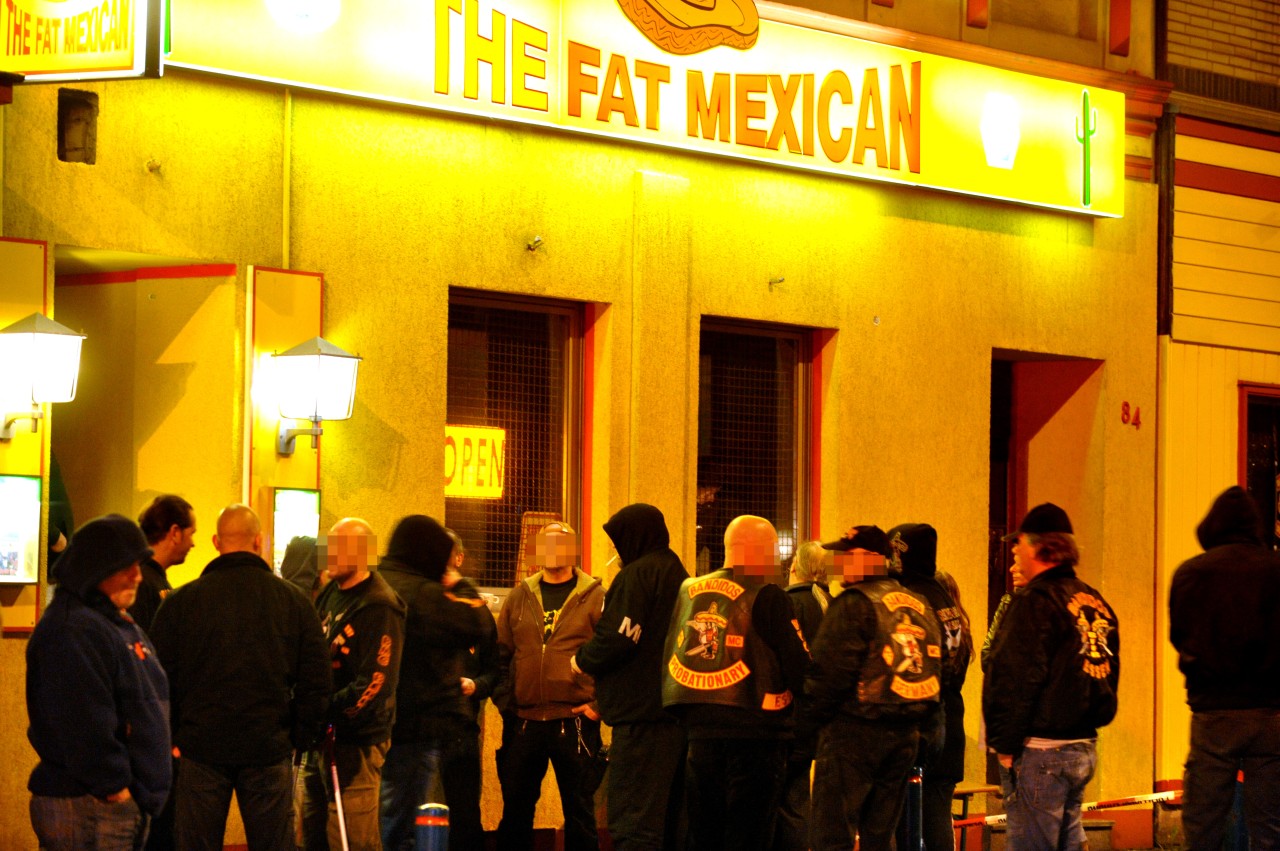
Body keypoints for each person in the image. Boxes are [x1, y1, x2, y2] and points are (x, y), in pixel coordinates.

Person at [149, 504, 331, 851]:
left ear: (216, 542)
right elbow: (316, 679)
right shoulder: (293, 602)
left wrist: (173, 735)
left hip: (199, 747)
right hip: (268, 745)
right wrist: (300, 737)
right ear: (260, 541)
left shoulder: (181, 602)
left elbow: (158, 678)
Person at [662, 515, 810, 851]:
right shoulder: (768, 595)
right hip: (758, 736)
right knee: (750, 837)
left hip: (699, 736)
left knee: (704, 836)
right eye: (773, 551)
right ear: (759, 550)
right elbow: (800, 669)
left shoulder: (688, 592)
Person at [26, 514, 171, 851]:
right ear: (95, 569)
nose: (138, 575)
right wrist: (115, 787)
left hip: (108, 803)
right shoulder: (71, 629)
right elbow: (81, 720)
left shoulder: (112, 622)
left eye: (139, 564)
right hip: (89, 804)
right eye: (126, 566)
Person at [982, 503, 1120, 851]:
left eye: (1020, 543)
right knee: (1069, 841)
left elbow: (1015, 677)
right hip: (1082, 745)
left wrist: (1005, 744)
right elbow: (1108, 670)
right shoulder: (1094, 600)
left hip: (1041, 750)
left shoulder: (1035, 601)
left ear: (1040, 546)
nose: (1014, 550)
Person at [806, 525, 943, 851]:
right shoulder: (918, 603)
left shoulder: (854, 603)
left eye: (844, 554)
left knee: (831, 835)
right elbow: (940, 668)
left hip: (853, 734)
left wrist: (809, 726)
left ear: (868, 559)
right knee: (880, 836)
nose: (837, 561)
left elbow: (828, 675)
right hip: (905, 735)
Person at [572, 503, 689, 851]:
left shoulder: (637, 575)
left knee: (632, 822)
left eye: (617, 540)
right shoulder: (677, 573)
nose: (614, 551)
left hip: (641, 719)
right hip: (673, 714)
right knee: (667, 821)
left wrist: (581, 661)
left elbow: (620, 636)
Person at [1169, 486, 1280, 850]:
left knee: (1205, 820)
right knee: (1269, 824)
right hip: (1271, 713)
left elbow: (1180, 635)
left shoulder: (1191, 573)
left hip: (1214, 713)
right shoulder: (1275, 570)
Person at [378, 514, 491, 851]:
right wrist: (455, 582)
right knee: (411, 822)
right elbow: (479, 620)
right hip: (422, 723)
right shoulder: (424, 594)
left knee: (391, 814)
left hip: (382, 722)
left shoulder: (377, 582)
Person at [496, 522, 606, 851]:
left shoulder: (596, 596)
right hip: (524, 723)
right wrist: (506, 704)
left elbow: (612, 655)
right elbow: (500, 653)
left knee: (579, 814)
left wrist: (599, 706)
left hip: (574, 721)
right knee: (515, 813)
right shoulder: (519, 596)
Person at [300, 518, 406, 851]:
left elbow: (374, 684)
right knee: (309, 827)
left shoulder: (379, 606)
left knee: (350, 835)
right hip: (320, 734)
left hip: (356, 740)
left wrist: (328, 711)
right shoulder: (331, 591)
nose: (327, 554)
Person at [888, 523, 971, 851]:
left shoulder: (915, 601)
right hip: (948, 721)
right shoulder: (946, 604)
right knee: (936, 813)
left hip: (923, 726)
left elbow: (910, 669)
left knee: (916, 821)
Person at [773, 540, 831, 850]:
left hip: (789, 715)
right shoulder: (833, 604)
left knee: (785, 802)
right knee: (800, 801)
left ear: (795, 568)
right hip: (821, 718)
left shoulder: (789, 603)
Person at [130, 495, 197, 635]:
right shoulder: (139, 581)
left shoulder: (152, 579)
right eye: (191, 534)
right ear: (175, 533)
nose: (193, 543)